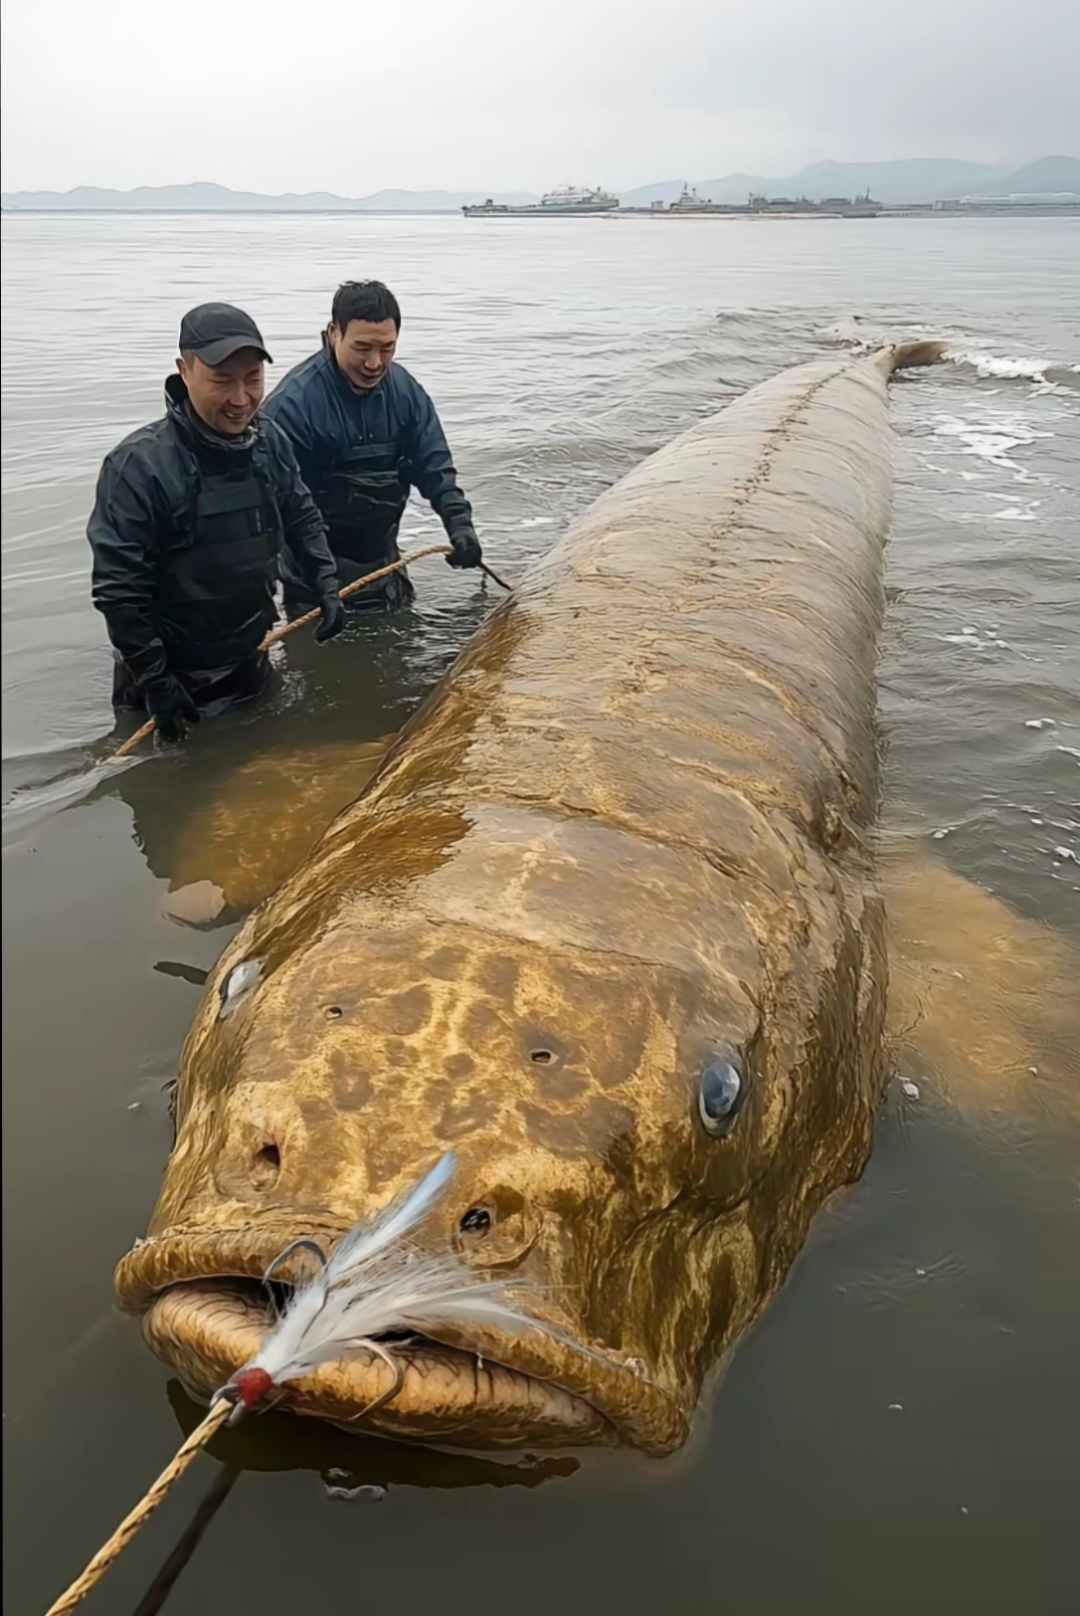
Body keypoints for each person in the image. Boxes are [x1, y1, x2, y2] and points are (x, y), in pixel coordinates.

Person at [88, 303, 345, 741]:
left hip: (248, 661)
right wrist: (155, 682)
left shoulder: (270, 442)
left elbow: (301, 514)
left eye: (252, 380)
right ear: (184, 371)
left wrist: (325, 581)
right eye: (223, 381)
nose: (241, 399)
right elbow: (119, 591)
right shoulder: (139, 467)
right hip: (166, 681)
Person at [262, 280, 482, 613]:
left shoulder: (406, 393)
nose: (375, 363)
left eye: (387, 348)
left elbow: (434, 467)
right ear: (334, 332)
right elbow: (264, 507)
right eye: (363, 348)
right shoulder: (292, 406)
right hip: (312, 581)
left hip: (384, 567)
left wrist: (460, 526)